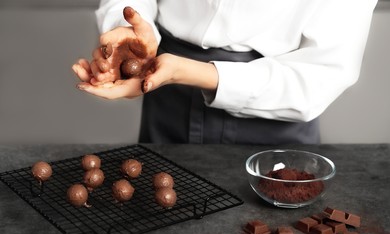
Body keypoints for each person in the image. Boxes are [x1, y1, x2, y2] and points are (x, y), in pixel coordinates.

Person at [72, 0, 378, 144]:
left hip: (273, 113)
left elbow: (321, 76)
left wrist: (186, 72)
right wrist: (130, 31)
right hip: (165, 95)